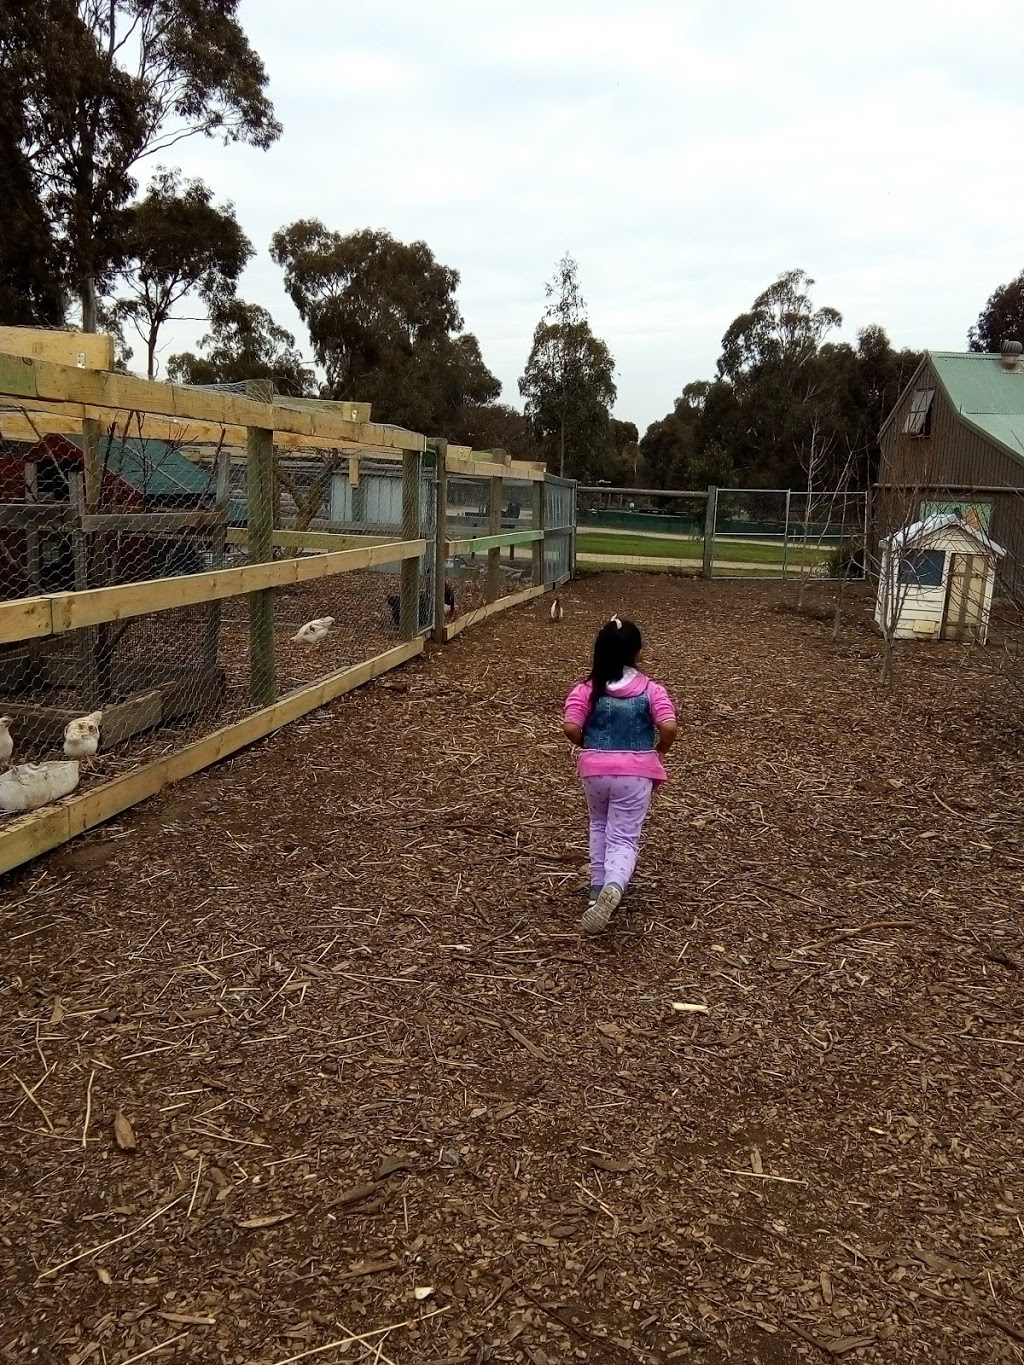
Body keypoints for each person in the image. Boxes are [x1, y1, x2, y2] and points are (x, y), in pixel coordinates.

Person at [563, 616, 677, 934]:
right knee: (624, 835)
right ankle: (615, 885)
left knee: (599, 824)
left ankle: (597, 891)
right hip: (635, 773)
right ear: (637, 653)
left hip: (595, 772)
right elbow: (668, 726)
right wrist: (661, 747)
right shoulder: (651, 690)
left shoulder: (588, 688)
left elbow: (571, 725)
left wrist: (587, 743)